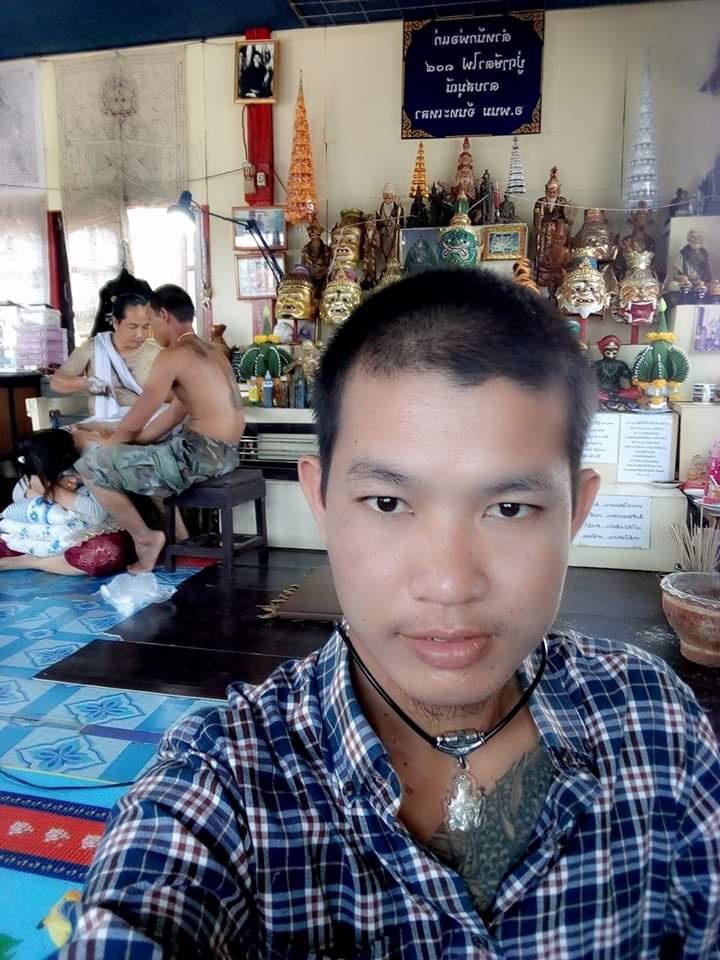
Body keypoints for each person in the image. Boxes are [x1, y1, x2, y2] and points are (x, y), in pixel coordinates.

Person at [62, 271, 720, 958]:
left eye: (509, 508)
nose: (448, 584)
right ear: (321, 501)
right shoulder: (223, 784)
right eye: (387, 503)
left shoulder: (654, 723)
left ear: (575, 512)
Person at [74, 284, 244, 574]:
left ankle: (146, 539)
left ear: (163, 315)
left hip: (199, 456)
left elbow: (136, 419)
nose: (149, 332)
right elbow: (176, 412)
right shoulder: (213, 352)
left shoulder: (172, 355)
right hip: (227, 455)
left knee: (90, 467)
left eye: (151, 321)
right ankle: (181, 538)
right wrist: (134, 443)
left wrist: (110, 445)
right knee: (152, 452)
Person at [0, 429, 131, 576]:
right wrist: (46, 487)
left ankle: (28, 562)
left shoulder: (92, 458)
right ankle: (50, 560)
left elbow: (96, 514)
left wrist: (54, 491)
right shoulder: (41, 451)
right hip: (50, 535)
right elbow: (18, 494)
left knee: (102, 553)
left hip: (93, 531)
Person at [50, 292, 160, 419]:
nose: (140, 334)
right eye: (132, 327)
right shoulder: (94, 347)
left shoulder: (157, 354)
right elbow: (56, 382)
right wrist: (85, 384)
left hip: (145, 423)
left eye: (145, 327)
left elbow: (174, 396)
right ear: (115, 323)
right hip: (102, 423)